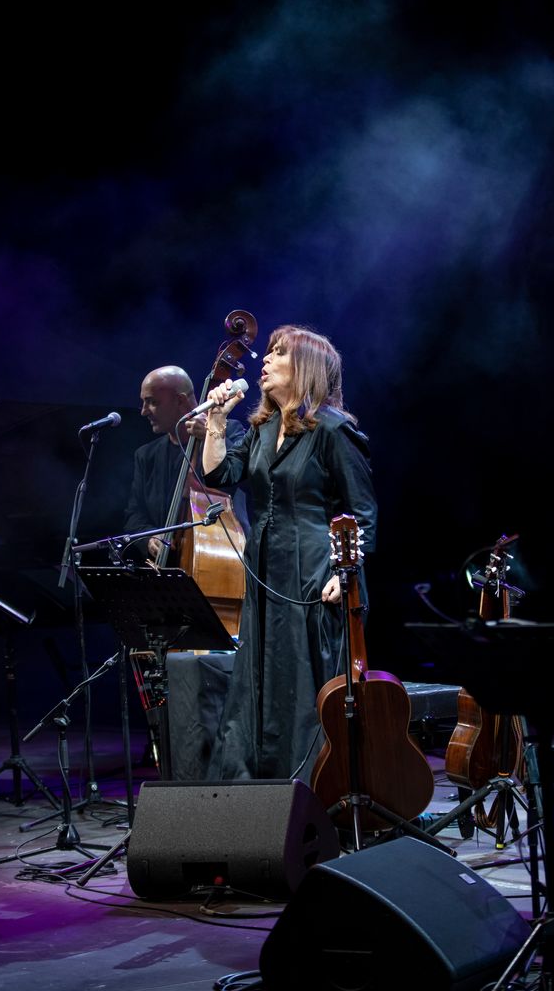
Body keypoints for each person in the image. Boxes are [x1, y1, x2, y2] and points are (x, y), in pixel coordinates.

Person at [198, 326, 377, 781]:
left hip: (316, 571)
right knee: (261, 675)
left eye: (278, 353)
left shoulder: (333, 430)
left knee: (303, 678)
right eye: (269, 352)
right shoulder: (262, 429)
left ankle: (315, 781)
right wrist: (216, 421)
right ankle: (258, 782)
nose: (265, 360)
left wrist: (345, 570)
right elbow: (219, 476)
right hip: (266, 569)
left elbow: (363, 511)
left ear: (305, 368)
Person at [123, 365, 248, 562]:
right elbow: (134, 514)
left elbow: (243, 477)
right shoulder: (146, 456)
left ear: (180, 400)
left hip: (221, 556)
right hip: (168, 564)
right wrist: (149, 538)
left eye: (152, 402)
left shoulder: (230, 432)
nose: (144, 411)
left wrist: (211, 435)